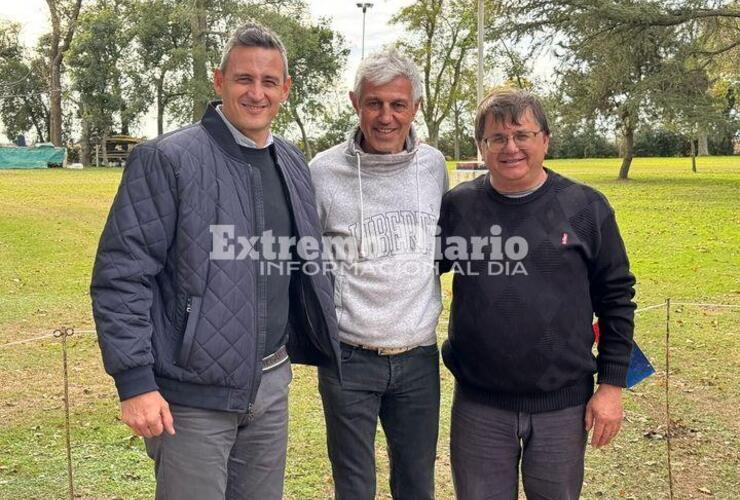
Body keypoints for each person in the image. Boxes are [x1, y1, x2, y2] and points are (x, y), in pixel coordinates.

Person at [90, 22, 341, 500]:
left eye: (269, 81)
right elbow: (122, 275)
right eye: (244, 78)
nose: (256, 92)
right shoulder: (167, 159)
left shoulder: (292, 162)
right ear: (218, 79)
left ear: (285, 89)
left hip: (269, 388)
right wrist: (134, 382)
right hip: (190, 397)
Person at [438, 87, 636, 499]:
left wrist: (612, 386)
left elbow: (617, 298)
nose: (510, 147)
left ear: (545, 139)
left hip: (563, 406)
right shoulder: (458, 207)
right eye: (497, 138)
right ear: (482, 146)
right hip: (479, 406)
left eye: (522, 135)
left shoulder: (586, 208)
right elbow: (414, 273)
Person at [309, 49, 448, 499]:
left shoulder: (433, 167)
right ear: (355, 102)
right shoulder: (322, 172)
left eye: (398, 105)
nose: (385, 117)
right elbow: (304, 259)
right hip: (349, 357)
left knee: (416, 483)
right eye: (374, 103)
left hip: (418, 358)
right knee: (354, 486)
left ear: (416, 109)